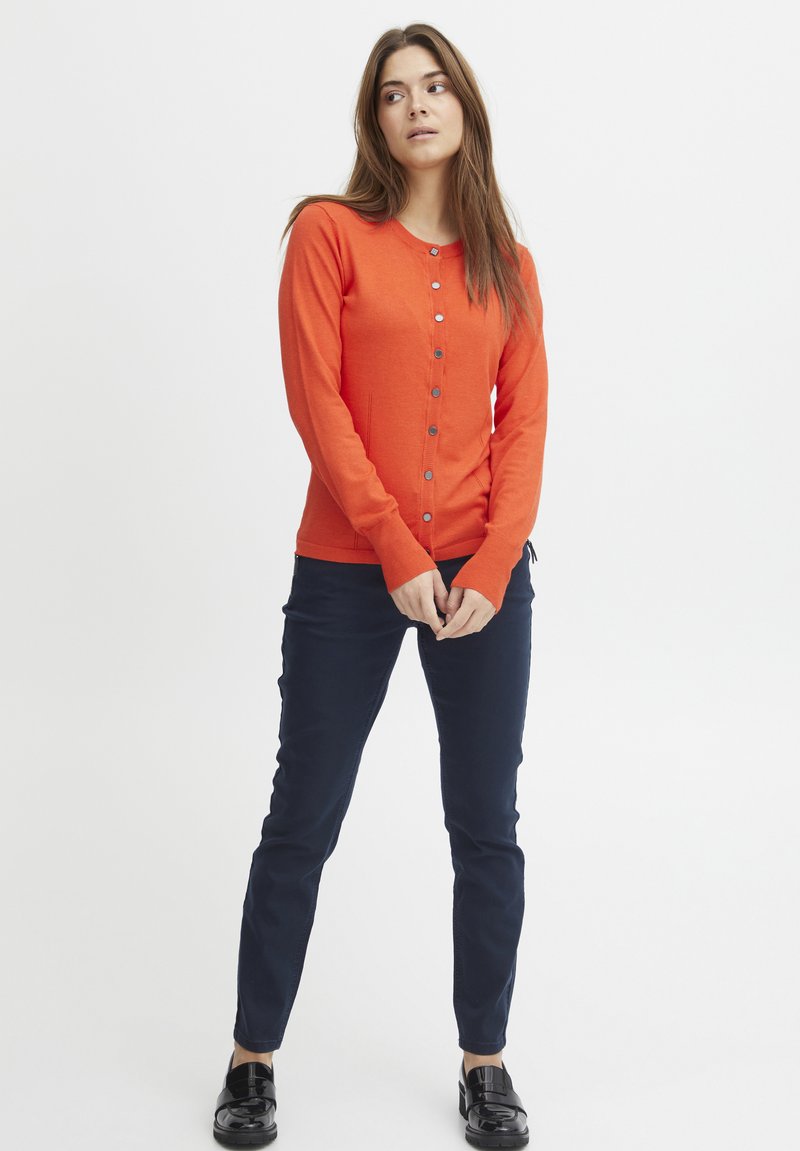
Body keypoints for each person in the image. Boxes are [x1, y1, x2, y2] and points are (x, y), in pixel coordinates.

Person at [212, 21, 548, 1149]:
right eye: (395, 93)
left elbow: (524, 428)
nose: (417, 106)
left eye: (435, 86)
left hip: (483, 580)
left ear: (465, 107)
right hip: (350, 568)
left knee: (486, 824)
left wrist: (489, 565)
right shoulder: (327, 233)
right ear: (374, 119)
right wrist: (399, 550)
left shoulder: (510, 264)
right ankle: (251, 1056)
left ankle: (485, 1060)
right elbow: (319, 406)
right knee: (301, 814)